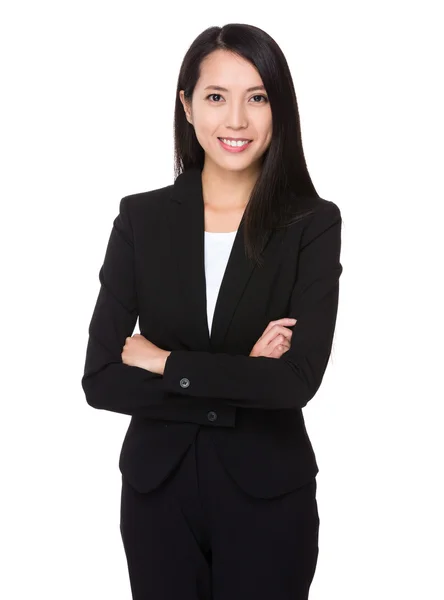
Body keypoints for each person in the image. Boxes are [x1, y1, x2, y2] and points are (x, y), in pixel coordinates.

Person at [81, 22, 343, 600]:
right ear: (187, 105)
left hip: (268, 497)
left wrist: (164, 361)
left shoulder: (312, 224)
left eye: (258, 98)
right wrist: (243, 372)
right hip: (158, 498)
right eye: (217, 98)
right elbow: (101, 380)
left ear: (280, 108)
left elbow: (296, 381)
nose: (237, 121)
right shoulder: (141, 221)